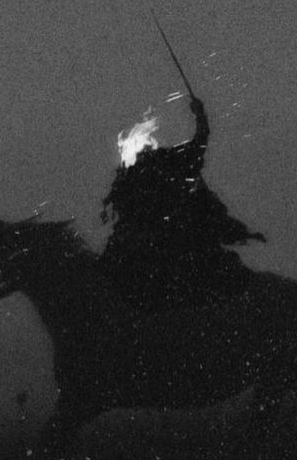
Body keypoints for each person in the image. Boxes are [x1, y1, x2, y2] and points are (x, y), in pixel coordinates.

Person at [100, 93, 266, 311]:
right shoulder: (131, 177)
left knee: (195, 266)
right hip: (148, 235)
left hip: (177, 232)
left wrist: (201, 117)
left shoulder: (167, 161)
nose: (141, 152)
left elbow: (199, 143)